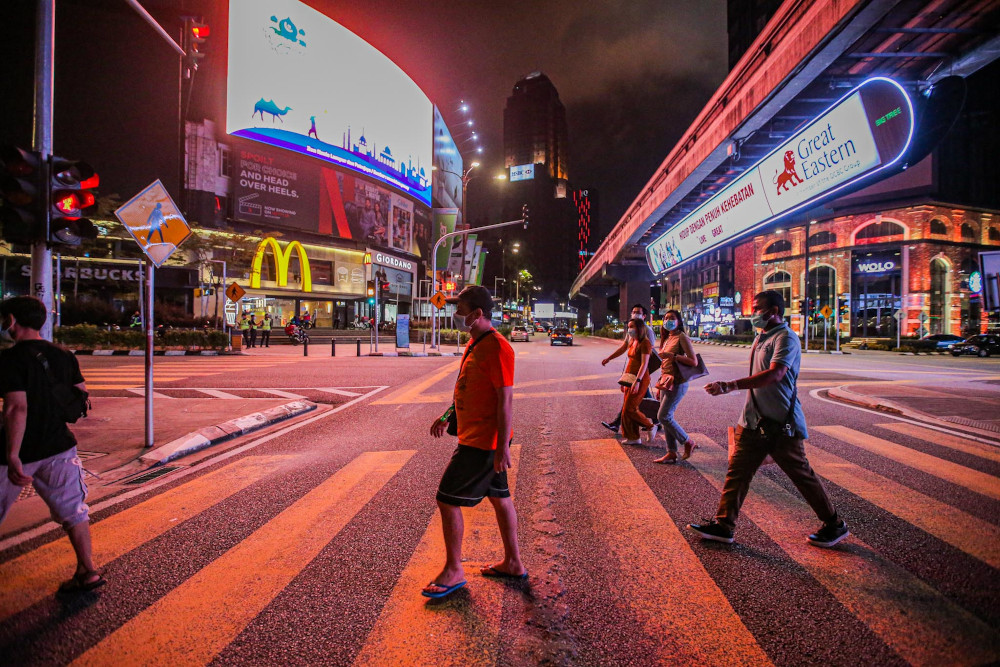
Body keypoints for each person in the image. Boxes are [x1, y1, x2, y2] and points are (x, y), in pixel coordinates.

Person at [688, 290, 849, 548]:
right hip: (753, 421)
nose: (754, 313)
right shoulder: (762, 336)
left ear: (774, 311)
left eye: (758, 308)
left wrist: (730, 385)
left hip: (779, 423)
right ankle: (724, 525)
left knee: (801, 475)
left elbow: (774, 375)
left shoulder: (786, 338)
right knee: (737, 473)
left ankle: (834, 524)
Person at [424, 285, 524, 598]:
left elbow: (504, 399)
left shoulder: (496, 347)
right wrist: (448, 415)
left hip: (483, 442)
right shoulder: (476, 342)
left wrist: (502, 447)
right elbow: (470, 387)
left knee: (446, 498)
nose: (456, 316)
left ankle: (454, 570)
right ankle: (513, 562)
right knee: (500, 498)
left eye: (461, 310)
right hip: (478, 436)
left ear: (477, 314)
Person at [0, 296, 104, 593]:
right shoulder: (63, 354)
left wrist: (13, 455)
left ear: (11, 321)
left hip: (18, 451)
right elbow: (80, 394)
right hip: (60, 446)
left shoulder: (10, 360)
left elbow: (16, 408)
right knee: (74, 510)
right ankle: (87, 571)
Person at [600, 304, 658, 434]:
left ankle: (620, 424)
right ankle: (655, 421)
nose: (635, 314)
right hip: (632, 373)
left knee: (630, 405)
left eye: (638, 312)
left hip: (641, 373)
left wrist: (640, 377)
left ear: (644, 316)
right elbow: (624, 347)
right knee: (637, 400)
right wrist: (609, 358)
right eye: (633, 311)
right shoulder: (632, 330)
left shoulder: (647, 331)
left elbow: (649, 352)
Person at [652, 310, 699, 464]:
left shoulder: (681, 337)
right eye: (666, 318)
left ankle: (687, 442)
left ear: (679, 321)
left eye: (672, 318)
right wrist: (659, 387)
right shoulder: (667, 337)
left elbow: (693, 361)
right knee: (666, 418)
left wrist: (673, 356)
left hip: (678, 382)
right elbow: (664, 364)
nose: (668, 320)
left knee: (663, 416)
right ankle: (671, 452)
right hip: (666, 381)